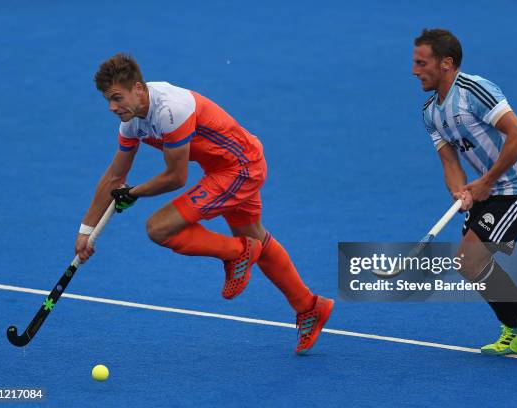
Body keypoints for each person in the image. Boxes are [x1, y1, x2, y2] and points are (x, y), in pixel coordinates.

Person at [75, 53, 334, 354]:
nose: (112, 107)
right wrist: (86, 231)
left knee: (159, 228)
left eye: (117, 98)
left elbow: (176, 177)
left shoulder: (169, 109)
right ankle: (310, 307)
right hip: (229, 167)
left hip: (240, 168)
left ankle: (238, 253)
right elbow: (114, 176)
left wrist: (135, 193)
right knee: (254, 235)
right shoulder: (132, 122)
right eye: (108, 100)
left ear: (138, 88)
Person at [412, 29, 517, 355]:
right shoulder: (430, 112)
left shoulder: (475, 91)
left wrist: (487, 181)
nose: (414, 71)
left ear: (446, 63)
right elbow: (449, 162)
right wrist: (458, 190)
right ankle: (511, 325)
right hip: (490, 188)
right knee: (469, 263)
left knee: (471, 257)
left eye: (422, 63)